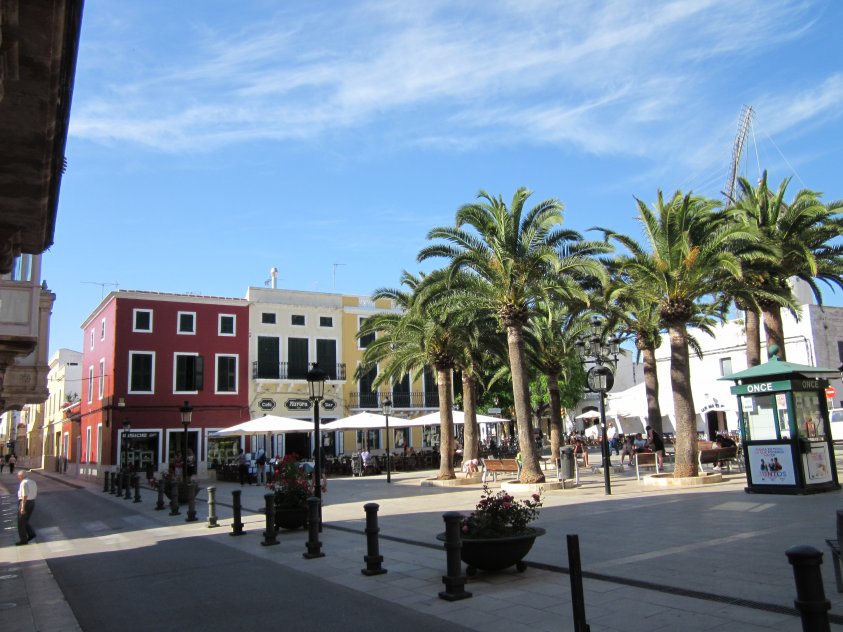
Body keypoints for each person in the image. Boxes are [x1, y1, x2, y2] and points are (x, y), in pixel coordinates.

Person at [16, 469, 37, 545]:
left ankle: (23, 540)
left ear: (21, 476)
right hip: (32, 502)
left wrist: (22, 507)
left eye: (18, 476)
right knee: (25, 520)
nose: (18, 477)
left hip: (25, 502)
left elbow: (24, 495)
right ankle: (31, 533)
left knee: (20, 522)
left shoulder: (23, 483)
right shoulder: (32, 482)